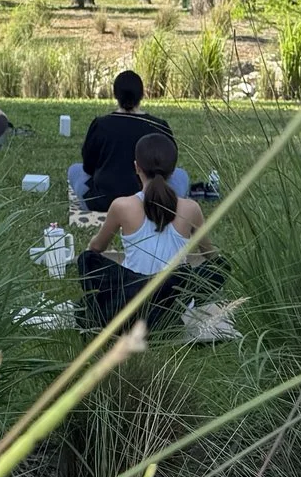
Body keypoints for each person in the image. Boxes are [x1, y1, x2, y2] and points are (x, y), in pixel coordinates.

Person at [77, 132, 228, 336]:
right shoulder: (190, 209)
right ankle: (164, 319)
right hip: (173, 304)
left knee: (87, 260)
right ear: (173, 171)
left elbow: (96, 249)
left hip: (130, 300)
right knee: (220, 267)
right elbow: (211, 257)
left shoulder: (122, 206)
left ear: (136, 167)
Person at [70, 70, 193, 211]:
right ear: (142, 94)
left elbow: (88, 166)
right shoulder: (159, 125)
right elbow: (169, 167)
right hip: (153, 202)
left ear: (115, 95)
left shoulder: (100, 125)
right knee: (181, 175)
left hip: (103, 202)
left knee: (74, 170)